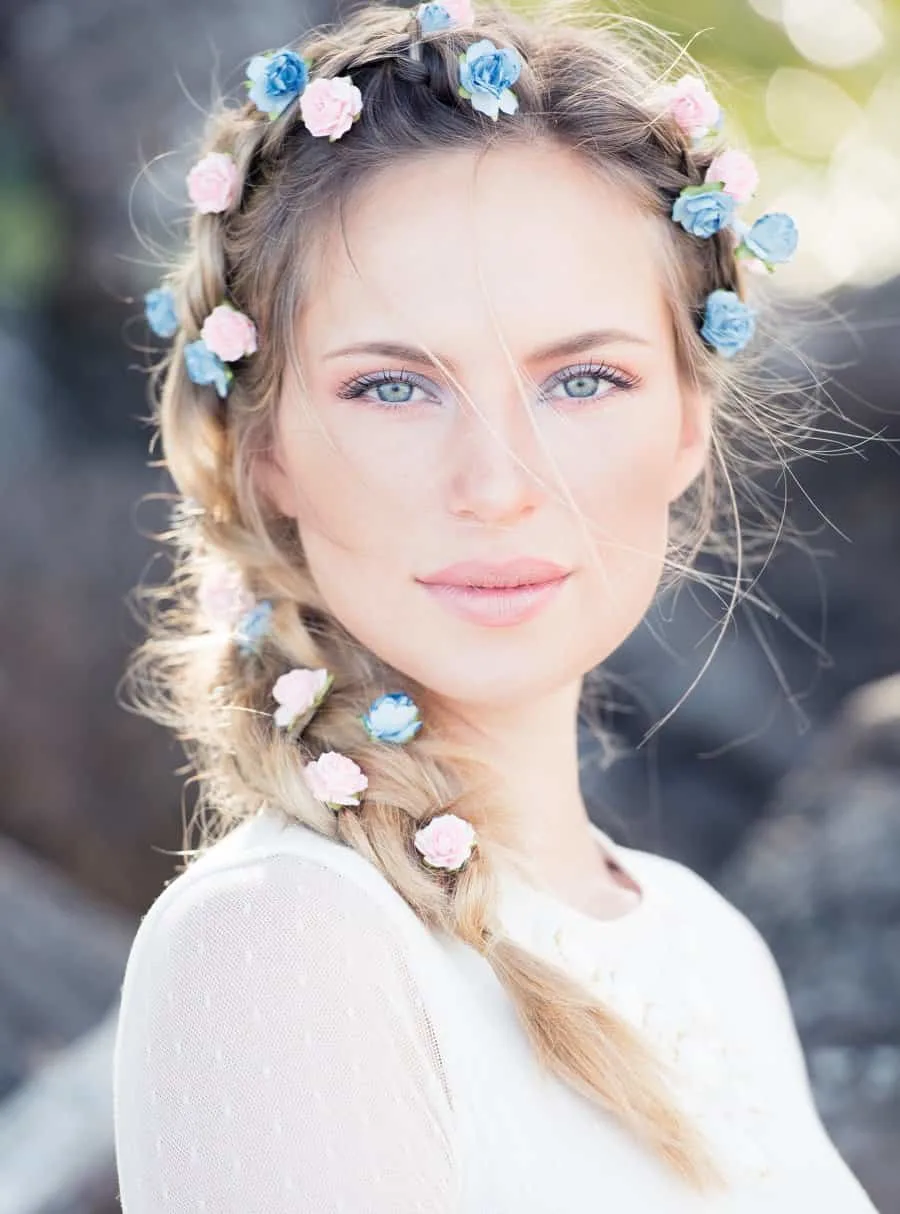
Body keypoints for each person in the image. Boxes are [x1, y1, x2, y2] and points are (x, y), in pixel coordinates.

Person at [112, 1, 880, 1209]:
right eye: (390, 387)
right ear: (265, 450)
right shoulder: (283, 946)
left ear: (687, 418)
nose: (498, 486)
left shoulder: (705, 944)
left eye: (583, 378)